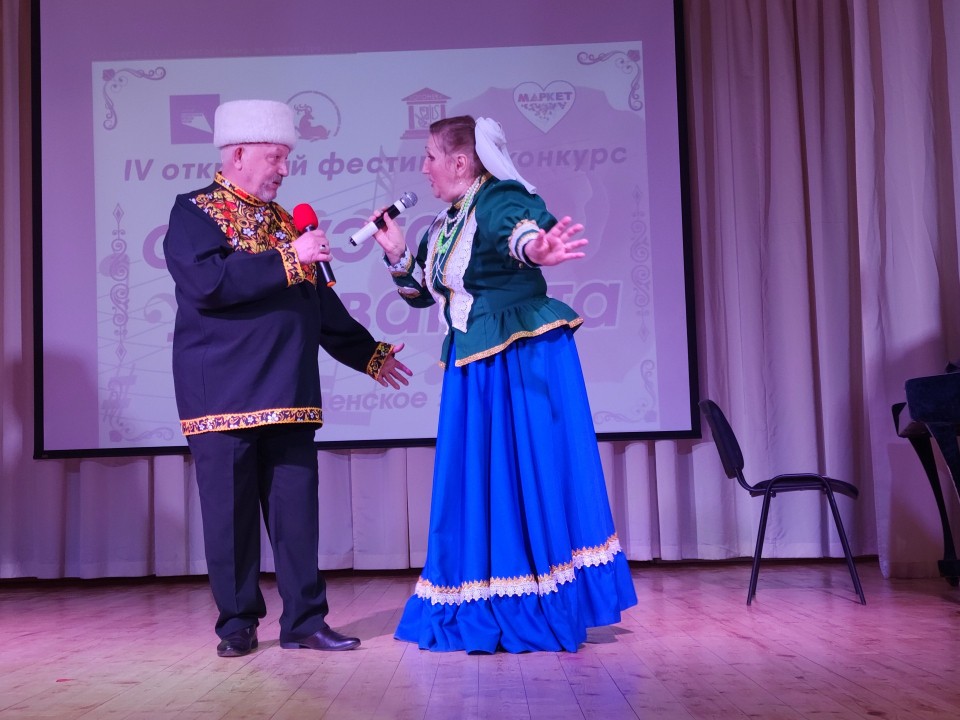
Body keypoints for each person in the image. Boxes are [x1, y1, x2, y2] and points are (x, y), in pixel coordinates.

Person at [371, 115, 638, 653]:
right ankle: (487, 588)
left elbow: (517, 233)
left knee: (523, 473)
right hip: (475, 365)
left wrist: (537, 250)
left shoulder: (497, 199)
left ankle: (532, 596)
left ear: (460, 161)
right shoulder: (445, 222)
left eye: (430, 156)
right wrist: (397, 253)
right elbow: (427, 294)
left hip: (514, 360)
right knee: (477, 477)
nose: (423, 167)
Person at [163, 99, 412, 658]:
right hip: (220, 391)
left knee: (297, 514)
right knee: (229, 518)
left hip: (288, 388)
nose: (283, 168)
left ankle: (305, 620)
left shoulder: (286, 222)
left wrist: (369, 354)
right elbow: (208, 284)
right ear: (238, 155)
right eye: (274, 157)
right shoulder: (194, 212)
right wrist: (287, 258)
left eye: (286, 157)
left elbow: (318, 304)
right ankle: (237, 623)